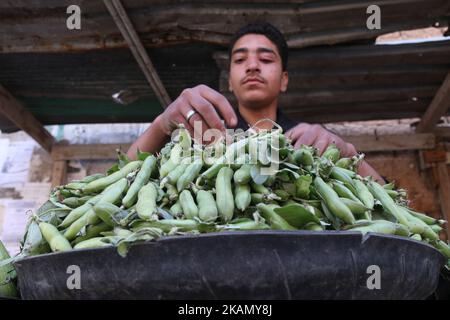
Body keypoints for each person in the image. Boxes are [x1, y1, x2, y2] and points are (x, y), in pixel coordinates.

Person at [127, 22, 385, 183]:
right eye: (240, 60)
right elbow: (123, 176)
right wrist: (162, 124)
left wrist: (349, 153)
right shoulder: (203, 136)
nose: (252, 66)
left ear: (284, 80)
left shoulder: (309, 140)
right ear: (229, 81)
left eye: (266, 59)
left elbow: (389, 203)